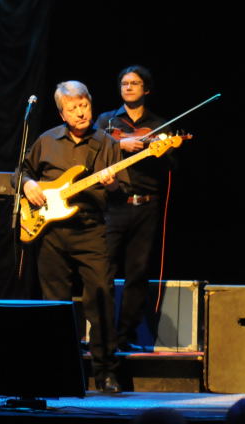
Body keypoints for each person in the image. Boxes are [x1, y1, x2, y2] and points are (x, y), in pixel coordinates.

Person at [18, 81, 121, 392]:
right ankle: (59, 370)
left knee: (100, 298)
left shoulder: (106, 143)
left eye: (84, 105)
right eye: (73, 108)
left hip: (91, 230)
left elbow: (121, 193)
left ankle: (105, 372)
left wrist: (112, 183)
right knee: (55, 304)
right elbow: (20, 172)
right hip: (51, 232)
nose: (80, 112)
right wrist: (28, 184)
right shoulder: (46, 140)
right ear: (62, 113)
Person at [96, 65, 173, 353]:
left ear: (146, 89)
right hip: (113, 205)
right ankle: (101, 334)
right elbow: (94, 151)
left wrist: (161, 150)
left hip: (146, 206)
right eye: (124, 83)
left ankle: (124, 335)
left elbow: (171, 165)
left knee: (137, 273)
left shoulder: (159, 125)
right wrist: (120, 144)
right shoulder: (106, 121)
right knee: (102, 271)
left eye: (135, 83)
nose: (128, 87)